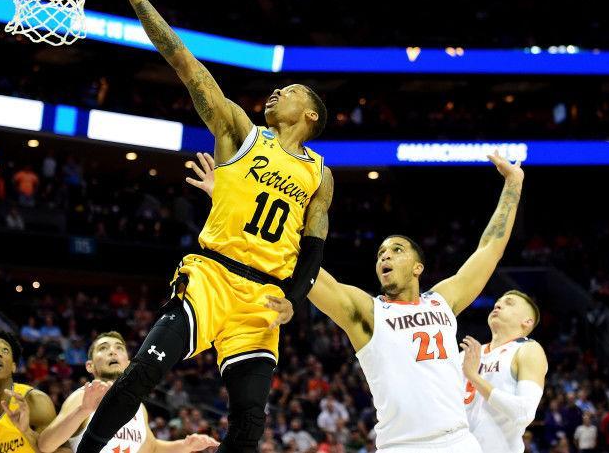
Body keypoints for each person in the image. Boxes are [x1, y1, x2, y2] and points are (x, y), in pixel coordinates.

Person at [78, 0, 333, 453]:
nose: (278, 91)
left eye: (292, 90)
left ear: (310, 116)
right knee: (140, 376)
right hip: (212, 275)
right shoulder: (242, 131)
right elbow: (183, 61)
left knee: (250, 420)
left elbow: (315, 244)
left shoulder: (320, 174)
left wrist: (295, 300)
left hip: (262, 297)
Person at [185, 150, 524, 451]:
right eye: (380, 253)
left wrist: (513, 183)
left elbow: (489, 249)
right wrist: (236, 209)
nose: (384, 256)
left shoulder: (443, 301)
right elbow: (302, 266)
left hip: (459, 440)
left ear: (418, 267)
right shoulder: (368, 311)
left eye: (396, 250)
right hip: (401, 445)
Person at [37, 331, 216, 453]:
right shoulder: (82, 396)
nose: (112, 352)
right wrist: (83, 410)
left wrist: (184, 445)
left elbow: (152, 448)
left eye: (119, 348)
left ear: (128, 363)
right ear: (89, 366)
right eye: (103, 348)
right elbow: (45, 445)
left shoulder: (139, 407)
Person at [459, 291, 548, 453]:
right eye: (498, 302)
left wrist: (474, 377)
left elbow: (524, 412)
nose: (498, 305)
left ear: (527, 322)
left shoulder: (527, 349)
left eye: (509, 303)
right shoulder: (467, 355)